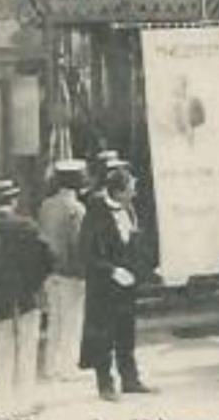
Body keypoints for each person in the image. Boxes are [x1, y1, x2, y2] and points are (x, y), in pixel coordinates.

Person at [0, 181, 54, 415]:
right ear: (12, 201)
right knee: (27, 349)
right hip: (27, 297)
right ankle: (25, 401)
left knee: (1, 351)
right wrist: (34, 283)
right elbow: (48, 259)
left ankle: (2, 404)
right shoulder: (27, 227)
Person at [79, 166, 156, 401]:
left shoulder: (129, 209)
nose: (134, 194)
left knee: (126, 333)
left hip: (127, 286)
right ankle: (105, 385)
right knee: (104, 336)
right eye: (131, 189)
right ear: (118, 191)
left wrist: (144, 268)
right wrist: (112, 271)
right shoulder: (95, 213)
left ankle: (130, 379)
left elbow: (133, 242)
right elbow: (86, 253)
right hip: (104, 287)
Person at [37, 159, 88, 381]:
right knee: (72, 321)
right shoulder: (76, 209)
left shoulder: (46, 206)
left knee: (55, 321)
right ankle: (68, 367)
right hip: (70, 271)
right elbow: (77, 243)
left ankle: (51, 366)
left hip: (50, 271)